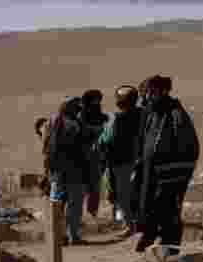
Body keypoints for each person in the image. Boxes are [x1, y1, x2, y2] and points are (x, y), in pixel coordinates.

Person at [133, 75, 200, 257]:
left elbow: (190, 148)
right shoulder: (151, 114)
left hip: (170, 175)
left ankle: (171, 247)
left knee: (168, 209)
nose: (147, 98)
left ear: (164, 92)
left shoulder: (176, 114)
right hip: (151, 172)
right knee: (149, 204)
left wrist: (176, 174)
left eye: (151, 93)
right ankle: (150, 234)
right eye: (145, 94)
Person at [98, 85, 142, 235]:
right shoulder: (143, 115)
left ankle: (131, 226)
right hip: (141, 160)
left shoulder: (116, 118)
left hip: (121, 162)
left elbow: (106, 139)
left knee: (123, 196)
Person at [46, 97, 90, 245]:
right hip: (74, 170)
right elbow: (82, 148)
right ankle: (73, 236)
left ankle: (58, 236)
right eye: (77, 108)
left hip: (56, 171)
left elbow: (45, 148)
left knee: (57, 204)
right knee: (74, 205)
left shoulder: (51, 122)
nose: (79, 111)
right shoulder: (74, 124)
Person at [80, 89, 110, 218]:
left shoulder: (102, 117)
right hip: (84, 156)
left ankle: (92, 214)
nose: (97, 102)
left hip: (98, 156)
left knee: (95, 187)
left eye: (98, 99)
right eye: (94, 99)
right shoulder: (82, 117)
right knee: (82, 188)